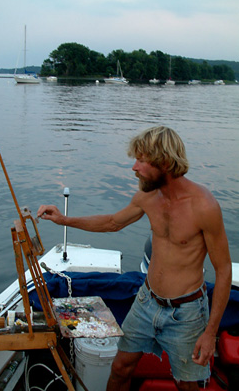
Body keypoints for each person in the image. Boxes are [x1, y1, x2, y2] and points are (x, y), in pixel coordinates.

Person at [37, 126, 232, 391]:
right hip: (146, 301)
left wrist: (210, 333)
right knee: (119, 369)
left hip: (186, 313)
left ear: (163, 161)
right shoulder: (147, 197)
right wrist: (64, 219)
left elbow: (223, 271)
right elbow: (112, 222)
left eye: (141, 160)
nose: (134, 167)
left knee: (187, 385)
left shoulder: (204, 206)